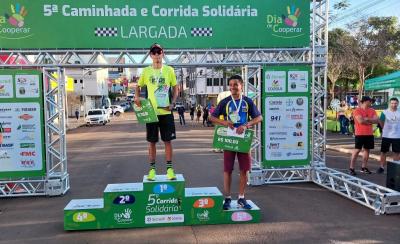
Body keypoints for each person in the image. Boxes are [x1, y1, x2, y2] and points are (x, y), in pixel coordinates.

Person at [210, 75, 262, 210]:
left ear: (241, 85)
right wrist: (225, 122)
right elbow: (212, 117)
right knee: (227, 170)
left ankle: (241, 197)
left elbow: (259, 117)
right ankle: (227, 198)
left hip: (243, 139)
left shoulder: (248, 101)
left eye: (235, 84)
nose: (233, 87)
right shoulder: (225, 101)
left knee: (244, 169)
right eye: (231, 85)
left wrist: (246, 125)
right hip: (230, 138)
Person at [134, 43, 178, 181]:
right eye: (154, 52)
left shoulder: (169, 70)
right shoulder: (146, 71)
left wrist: (173, 102)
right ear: (150, 55)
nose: (157, 54)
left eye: (159, 51)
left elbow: (176, 88)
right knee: (152, 142)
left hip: (166, 112)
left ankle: (169, 169)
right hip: (151, 112)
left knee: (168, 141)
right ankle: (152, 170)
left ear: (163, 53)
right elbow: (138, 86)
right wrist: (137, 97)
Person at [349, 96, 379, 176]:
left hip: (369, 134)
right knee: (357, 150)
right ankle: (351, 168)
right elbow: (360, 121)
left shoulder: (372, 110)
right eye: (370, 101)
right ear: (365, 101)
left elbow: (376, 120)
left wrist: (366, 119)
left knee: (367, 150)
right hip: (360, 134)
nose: (371, 103)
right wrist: (370, 121)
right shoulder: (357, 110)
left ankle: (364, 167)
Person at [377, 97, 400, 173]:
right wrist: (384, 128)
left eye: (395, 103)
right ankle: (381, 167)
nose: (394, 105)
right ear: (390, 104)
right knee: (383, 152)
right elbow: (381, 121)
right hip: (386, 135)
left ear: (398, 104)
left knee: (396, 153)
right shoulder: (385, 112)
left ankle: (395, 168)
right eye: (392, 103)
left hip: (397, 136)